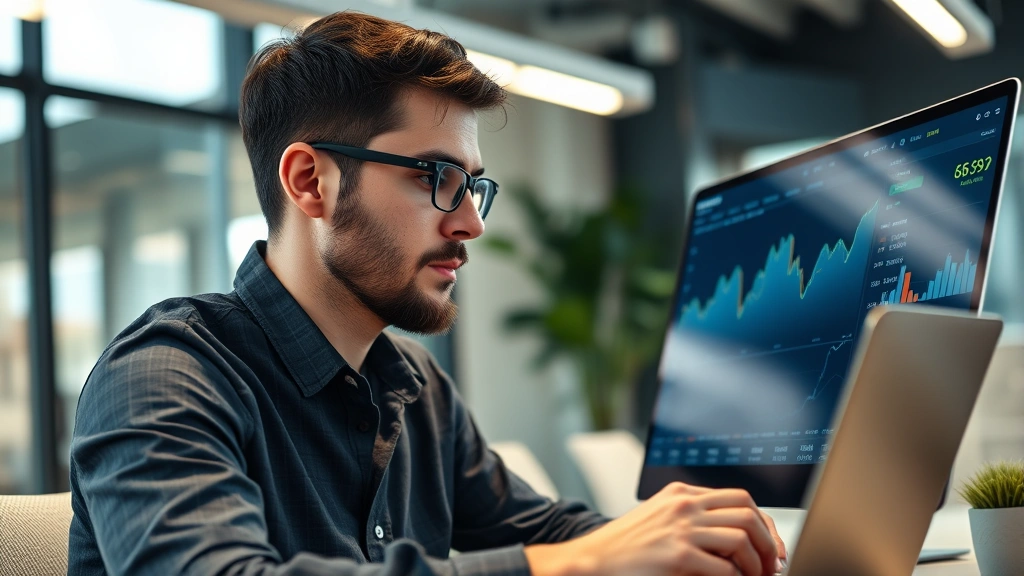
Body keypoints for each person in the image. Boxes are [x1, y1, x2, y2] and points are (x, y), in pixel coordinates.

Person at [68, 11, 787, 576]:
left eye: (473, 185)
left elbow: (548, 532)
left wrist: (684, 540)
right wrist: (581, 564)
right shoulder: (166, 374)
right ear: (310, 182)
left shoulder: (413, 386)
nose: (471, 222)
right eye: (435, 177)